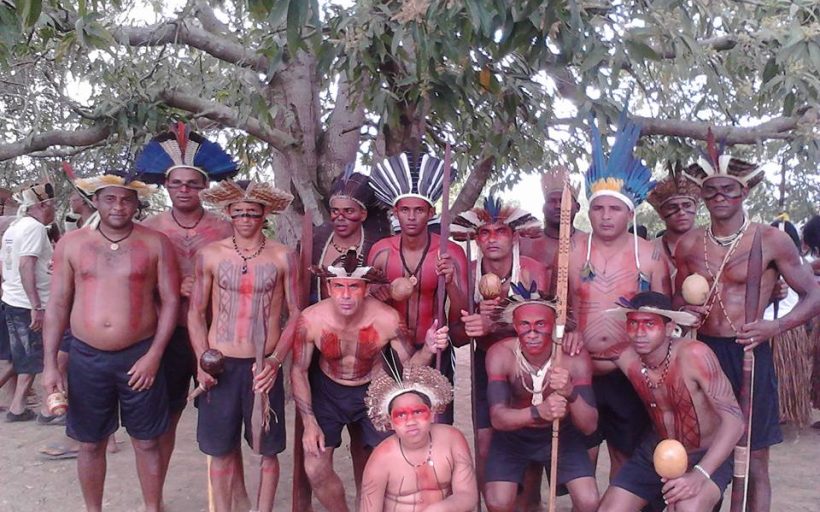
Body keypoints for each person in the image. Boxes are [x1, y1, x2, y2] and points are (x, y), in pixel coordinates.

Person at [674, 138, 820, 512]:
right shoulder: (690, 244)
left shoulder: (770, 240)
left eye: (729, 190)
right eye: (711, 191)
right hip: (704, 355)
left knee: (754, 460)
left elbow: (814, 295)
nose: (720, 197)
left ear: (744, 192)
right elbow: (677, 301)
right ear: (703, 197)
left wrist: (776, 327)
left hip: (751, 352)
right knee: (707, 451)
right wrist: (687, 313)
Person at [41, 173, 179, 512]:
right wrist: (50, 365)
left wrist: (155, 355)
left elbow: (171, 301)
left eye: (126, 199)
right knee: (90, 443)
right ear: (96, 202)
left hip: (139, 356)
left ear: (136, 203)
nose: (119, 206)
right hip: (87, 357)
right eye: (110, 199)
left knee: (146, 441)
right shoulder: (71, 244)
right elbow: (58, 303)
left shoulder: (155, 243)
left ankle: (152, 507)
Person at [292, 251, 450, 512]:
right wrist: (309, 423)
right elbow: (298, 370)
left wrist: (429, 348)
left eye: (353, 286)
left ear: (366, 288)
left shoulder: (387, 319)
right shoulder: (311, 320)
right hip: (328, 392)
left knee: (377, 465)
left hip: (374, 390)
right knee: (315, 466)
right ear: (328, 287)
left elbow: (408, 371)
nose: (345, 295)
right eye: (338, 286)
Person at [566, 109, 670, 478]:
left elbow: (664, 315)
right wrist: (570, 330)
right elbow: (558, 305)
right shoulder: (574, 249)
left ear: (629, 214)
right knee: (584, 460)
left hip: (630, 370)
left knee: (624, 458)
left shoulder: (650, 253)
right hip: (582, 368)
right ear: (588, 212)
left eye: (614, 208)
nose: (605, 216)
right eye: (598, 208)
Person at [136, 124, 239, 491]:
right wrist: (168, 288)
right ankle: (155, 497)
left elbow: (243, 279)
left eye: (192, 184)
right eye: (177, 183)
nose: (184, 190)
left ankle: (235, 499)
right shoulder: (148, 229)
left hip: (217, 337)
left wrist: (210, 290)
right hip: (167, 337)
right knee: (166, 418)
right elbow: (133, 281)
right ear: (166, 186)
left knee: (225, 421)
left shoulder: (226, 229)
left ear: (204, 187)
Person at [188, 179, 299, 512]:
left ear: (264, 214)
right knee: (220, 450)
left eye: (253, 213)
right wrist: (200, 361)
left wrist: (276, 361)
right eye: (239, 213)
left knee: (267, 450)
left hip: (262, 366)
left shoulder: (283, 256)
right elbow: (195, 311)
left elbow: (296, 315)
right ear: (229, 214)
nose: (246, 219)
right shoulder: (209, 255)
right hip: (218, 364)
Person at [597, 292, 743, 511]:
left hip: (706, 452)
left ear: (668, 328)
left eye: (649, 324)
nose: (639, 333)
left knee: (686, 508)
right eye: (633, 324)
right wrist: (569, 339)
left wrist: (700, 474)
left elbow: (735, 422)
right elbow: (581, 364)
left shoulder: (695, 355)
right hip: (656, 449)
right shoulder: (625, 356)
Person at [452, 195, 548, 494]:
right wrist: (471, 324)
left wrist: (497, 324)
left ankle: (527, 506)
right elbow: (456, 336)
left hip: (527, 364)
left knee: (528, 443)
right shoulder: (467, 271)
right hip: (485, 364)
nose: (492, 239)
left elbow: (543, 326)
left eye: (501, 231)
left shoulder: (533, 271)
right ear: (477, 239)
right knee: (484, 444)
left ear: (515, 236)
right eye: (485, 232)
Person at [367, 151, 469, 423]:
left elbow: (463, 314)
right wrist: (377, 294)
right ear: (395, 212)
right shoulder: (380, 252)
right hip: (390, 347)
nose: (411, 217)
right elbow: (365, 305)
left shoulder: (450, 252)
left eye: (419, 210)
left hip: (435, 346)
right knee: (392, 422)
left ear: (431, 212)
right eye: (405, 210)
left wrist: (451, 284)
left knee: (436, 422)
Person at [483, 283, 598, 512]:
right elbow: (497, 418)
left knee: (589, 501)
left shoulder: (572, 358)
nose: (532, 333)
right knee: (497, 502)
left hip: (561, 434)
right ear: (514, 326)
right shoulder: (500, 354)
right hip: (512, 437)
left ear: (554, 326)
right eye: (525, 325)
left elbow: (590, 426)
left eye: (540, 324)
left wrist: (570, 393)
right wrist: (538, 412)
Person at [360, 365, 478, 511]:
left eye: (418, 412)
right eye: (401, 415)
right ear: (389, 422)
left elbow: (467, 496)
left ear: (433, 413)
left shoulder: (452, 440)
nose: (411, 422)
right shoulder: (380, 459)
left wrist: (438, 509)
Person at [2, 181, 56, 423]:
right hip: (28, 303)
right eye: (52, 205)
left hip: (13, 298)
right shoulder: (34, 228)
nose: (54, 211)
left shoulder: (15, 227)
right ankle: (27, 407)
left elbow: (5, 264)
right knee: (34, 357)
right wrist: (36, 305)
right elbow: (26, 264)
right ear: (42, 205)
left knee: (25, 357)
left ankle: (18, 407)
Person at [519, 166, 583, 280]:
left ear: (577, 207)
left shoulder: (588, 243)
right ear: (543, 208)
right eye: (552, 201)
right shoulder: (524, 243)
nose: (558, 206)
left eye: (564, 200)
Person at [646, 162, 701, 290]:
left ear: (696, 208)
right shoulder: (649, 250)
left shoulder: (711, 245)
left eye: (687, 205)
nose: (681, 212)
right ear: (661, 213)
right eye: (672, 207)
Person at [0, 187, 19, 409]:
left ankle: (14, 396)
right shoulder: (10, 223)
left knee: (10, 352)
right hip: (9, 296)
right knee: (16, 353)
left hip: (7, 294)